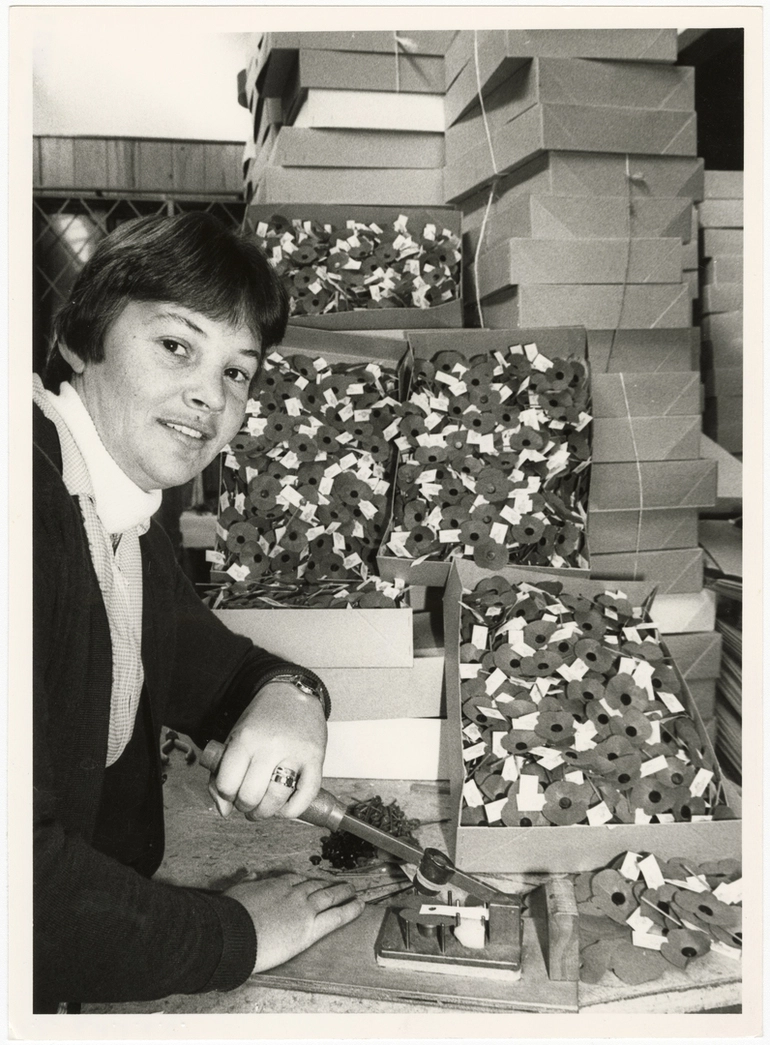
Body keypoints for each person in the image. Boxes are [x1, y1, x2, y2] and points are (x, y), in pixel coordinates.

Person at [33, 212, 363, 1013]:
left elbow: (211, 664)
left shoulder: (118, 512)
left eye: (238, 372)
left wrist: (294, 697)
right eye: (177, 345)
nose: (208, 396)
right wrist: (237, 934)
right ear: (82, 338)